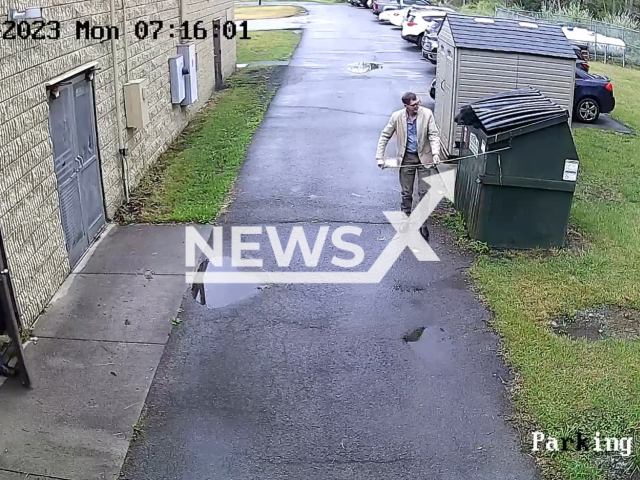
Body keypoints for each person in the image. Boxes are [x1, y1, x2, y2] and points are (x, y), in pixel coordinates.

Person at [375, 92, 441, 241]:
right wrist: (380, 157)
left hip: (425, 156)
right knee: (406, 192)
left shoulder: (427, 114)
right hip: (406, 158)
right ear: (406, 106)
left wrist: (436, 153)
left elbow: (433, 135)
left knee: (425, 192)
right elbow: (385, 135)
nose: (418, 105)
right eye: (414, 104)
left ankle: (423, 223)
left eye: (418, 102)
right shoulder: (397, 117)